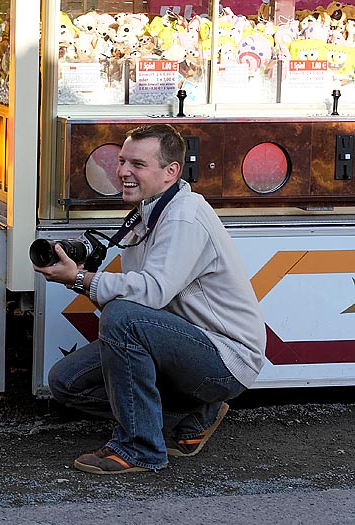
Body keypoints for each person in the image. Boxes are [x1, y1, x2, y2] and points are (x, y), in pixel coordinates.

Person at [34, 124, 266, 474]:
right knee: (66, 382)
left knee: (123, 317)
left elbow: (149, 296)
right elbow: (137, 304)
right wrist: (80, 278)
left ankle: (139, 447)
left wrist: (81, 278)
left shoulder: (185, 217)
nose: (123, 171)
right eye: (123, 161)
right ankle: (193, 413)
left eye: (138, 165)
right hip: (182, 344)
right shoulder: (148, 212)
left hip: (224, 358)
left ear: (171, 171)